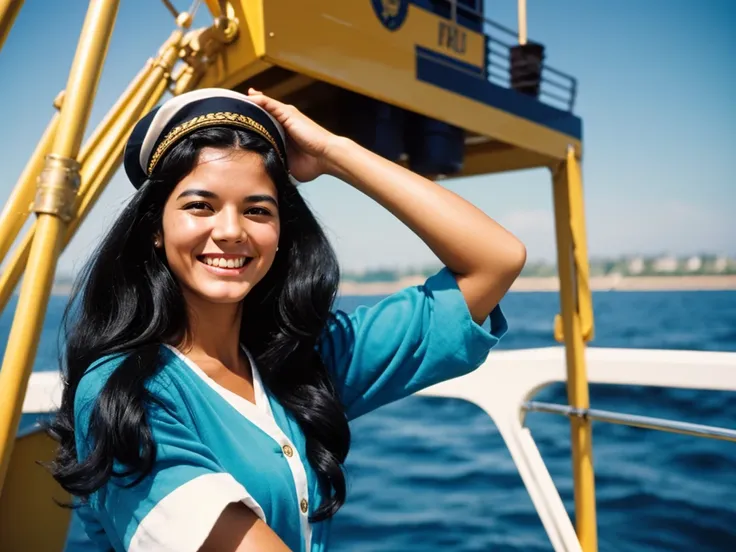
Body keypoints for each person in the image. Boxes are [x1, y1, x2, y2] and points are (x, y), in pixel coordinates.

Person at [49, 87, 526, 552]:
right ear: (155, 227)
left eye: (258, 210)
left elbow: (496, 260)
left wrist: (334, 153)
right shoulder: (121, 392)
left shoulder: (305, 363)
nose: (232, 231)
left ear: (280, 233)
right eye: (200, 206)